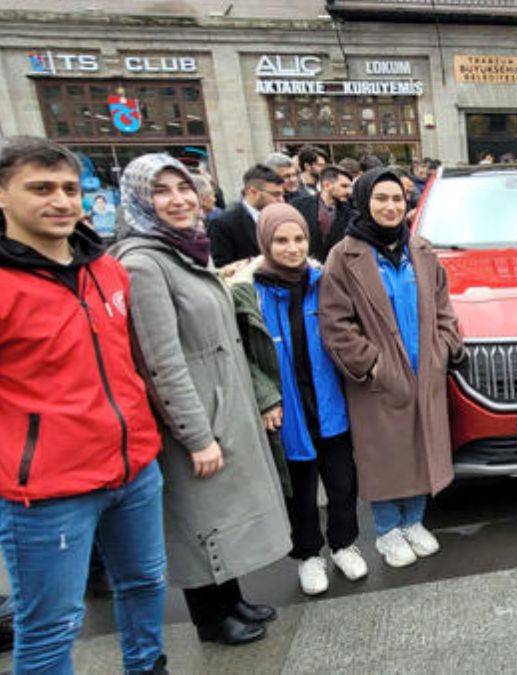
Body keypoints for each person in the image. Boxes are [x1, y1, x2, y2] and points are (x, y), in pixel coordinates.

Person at [0, 136, 168, 673]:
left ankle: (147, 666)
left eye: (70, 189)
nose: (61, 201)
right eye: (41, 188)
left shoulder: (107, 268)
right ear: (3, 196)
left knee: (145, 584)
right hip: (48, 491)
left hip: (134, 469)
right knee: (51, 627)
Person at [111, 153, 291, 647]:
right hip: (192, 415)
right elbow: (159, 361)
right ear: (139, 200)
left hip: (220, 402)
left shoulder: (185, 248)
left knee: (220, 512)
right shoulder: (143, 261)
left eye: (184, 187)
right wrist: (195, 433)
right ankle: (211, 619)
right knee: (198, 519)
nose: (179, 199)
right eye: (162, 191)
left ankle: (230, 598)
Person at [319, 167, 464, 569]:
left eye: (397, 198)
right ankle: (387, 530)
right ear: (364, 201)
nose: (390, 206)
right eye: (381, 198)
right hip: (379, 378)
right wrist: (372, 365)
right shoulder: (344, 256)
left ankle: (414, 521)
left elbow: (442, 307)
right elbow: (334, 323)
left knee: (422, 444)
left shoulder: (422, 250)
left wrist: (446, 346)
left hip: (425, 371)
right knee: (383, 453)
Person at [228, 203, 368, 596]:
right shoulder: (246, 292)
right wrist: (265, 397)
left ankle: (344, 545)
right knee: (300, 491)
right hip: (286, 411)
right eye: (281, 240)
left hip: (330, 404)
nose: (292, 248)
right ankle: (308, 555)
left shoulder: (325, 281)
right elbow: (241, 355)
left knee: (342, 484)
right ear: (265, 243)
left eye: (299, 239)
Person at [208, 164, 285, 267]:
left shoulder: (280, 217)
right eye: (276, 195)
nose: (282, 200)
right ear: (253, 192)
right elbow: (222, 267)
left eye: (282, 194)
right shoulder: (223, 223)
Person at [290, 166, 354, 262]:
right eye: (344, 186)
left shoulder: (351, 215)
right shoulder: (298, 206)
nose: (349, 191)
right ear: (326, 185)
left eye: (350, 187)